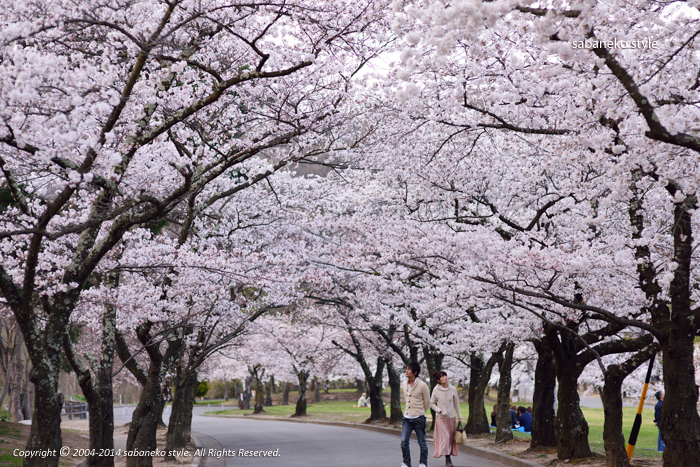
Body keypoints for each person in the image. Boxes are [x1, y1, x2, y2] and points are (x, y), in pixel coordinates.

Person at [430, 371, 463, 467]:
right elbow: (432, 404)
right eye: (442, 377)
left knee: (450, 439)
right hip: (440, 418)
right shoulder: (436, 390)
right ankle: (443, 455)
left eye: (445, 375)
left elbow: (456, 404)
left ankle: (448, 460)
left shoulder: (453, 389)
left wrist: (459, 417)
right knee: (446, 437)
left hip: (451, 418)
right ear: (438, 380)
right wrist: (439, 410)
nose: (445, 377)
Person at [401, 362, 431, 467]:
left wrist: (421, 412)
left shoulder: (423, 385)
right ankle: (406, 463)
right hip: (407, 418)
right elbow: (406, 399)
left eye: (409, 370)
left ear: (415, 372)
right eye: (406, 369)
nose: (406, 371)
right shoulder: (404, 384)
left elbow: (427, 402)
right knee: (404, 441)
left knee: (422, 443)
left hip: (419, 418)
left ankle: (423, 463)